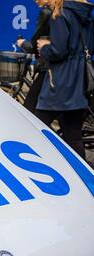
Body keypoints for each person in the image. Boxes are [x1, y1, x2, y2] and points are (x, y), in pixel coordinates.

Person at [36, 0, 94, 159]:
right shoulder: (85, 13)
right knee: (73, 136)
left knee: (33, 125)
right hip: (79, 82)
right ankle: (84, 179)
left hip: (60, 83)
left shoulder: (59, 14)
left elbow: (58, 52)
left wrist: (44, 47)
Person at [17, 0, 52, 112]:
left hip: (48, 67)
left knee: (29, 109)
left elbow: (35, 44)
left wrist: (22, 43)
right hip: (59, 68)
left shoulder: (47, 13)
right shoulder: (63, 12)